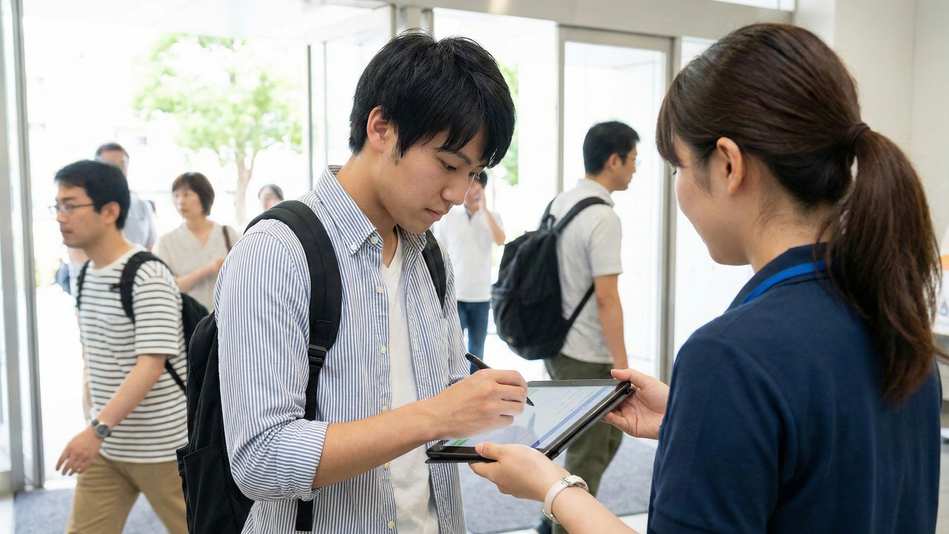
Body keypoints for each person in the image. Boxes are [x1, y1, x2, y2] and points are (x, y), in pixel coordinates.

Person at [471, 23, 942, 534]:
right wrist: (693, 419)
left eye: (677, 168)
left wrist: (551, 486)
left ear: (727, 165)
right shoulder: (898, 328)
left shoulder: (729, 355)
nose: (677, 189)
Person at [215, 32, 522, 533]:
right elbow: (260, 458)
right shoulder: (278, 252)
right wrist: (435, 415)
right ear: (381, 128)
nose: (455, 192)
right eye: (447, 164)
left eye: (472, 174)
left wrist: (499, 415)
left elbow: (442, 403)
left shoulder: (430, 256)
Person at [51, 160, 187, 534]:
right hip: (108, 448)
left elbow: (151, 365)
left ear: (110, 211)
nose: (61, 217)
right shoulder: (84, 276)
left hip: (161, 447)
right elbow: (94, 357)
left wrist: (95, 430)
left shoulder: (147, 273)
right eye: (57, 206)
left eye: (70, 205)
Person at [528, 120, 637, 534]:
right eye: (632, 160)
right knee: (587, 458)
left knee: (602, 440)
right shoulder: (604, 218)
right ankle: (561, 527)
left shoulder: (562, 202)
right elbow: (607, 297)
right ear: (613, 160)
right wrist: (623, 368)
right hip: (589, 354)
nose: (634, 169)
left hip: (559, 347)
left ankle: (547, 520)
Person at [434, 170, 505, 371]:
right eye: (468, 184)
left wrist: (484, 208)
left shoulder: (492, 217)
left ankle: (476, 390)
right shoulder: (449, 217)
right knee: (452, 349)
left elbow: (500, 240)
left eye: (475, 184)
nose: (470, 189)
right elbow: (441, 250)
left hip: (481, 296)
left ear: (482, 188)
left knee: (477, 351)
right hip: (456, 294)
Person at [155, 172, 239, 311]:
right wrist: (207, 269)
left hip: (227, 318)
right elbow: (166, 288)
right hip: (188, 322)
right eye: (176, 196)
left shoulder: (227, 234)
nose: (180, 201)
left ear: (204, 196)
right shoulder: (166, 241)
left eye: (187, 194)